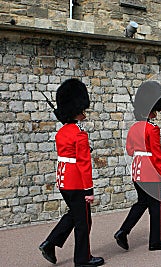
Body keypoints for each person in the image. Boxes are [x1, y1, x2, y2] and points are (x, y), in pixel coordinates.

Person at [39, 78, 104, 267]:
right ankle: (83, 259)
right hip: (76, 182)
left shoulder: (62, 132)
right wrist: (89, 190)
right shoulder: (80, 134)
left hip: (63, 180)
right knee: (83, 221)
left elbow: (69, 153)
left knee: (74, 215)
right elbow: (84, 164)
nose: (85, 115)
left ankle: (50, 243)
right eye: (83, 112)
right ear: (77, 112)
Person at [114, 81, 161, 251]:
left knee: (141, 203)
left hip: (137, 172)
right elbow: (157, 156)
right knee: (156, 206)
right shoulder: (152, 129)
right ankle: (156, 241)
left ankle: (123, 231)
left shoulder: (133, 128)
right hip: (151, 172)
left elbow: (130, 151)